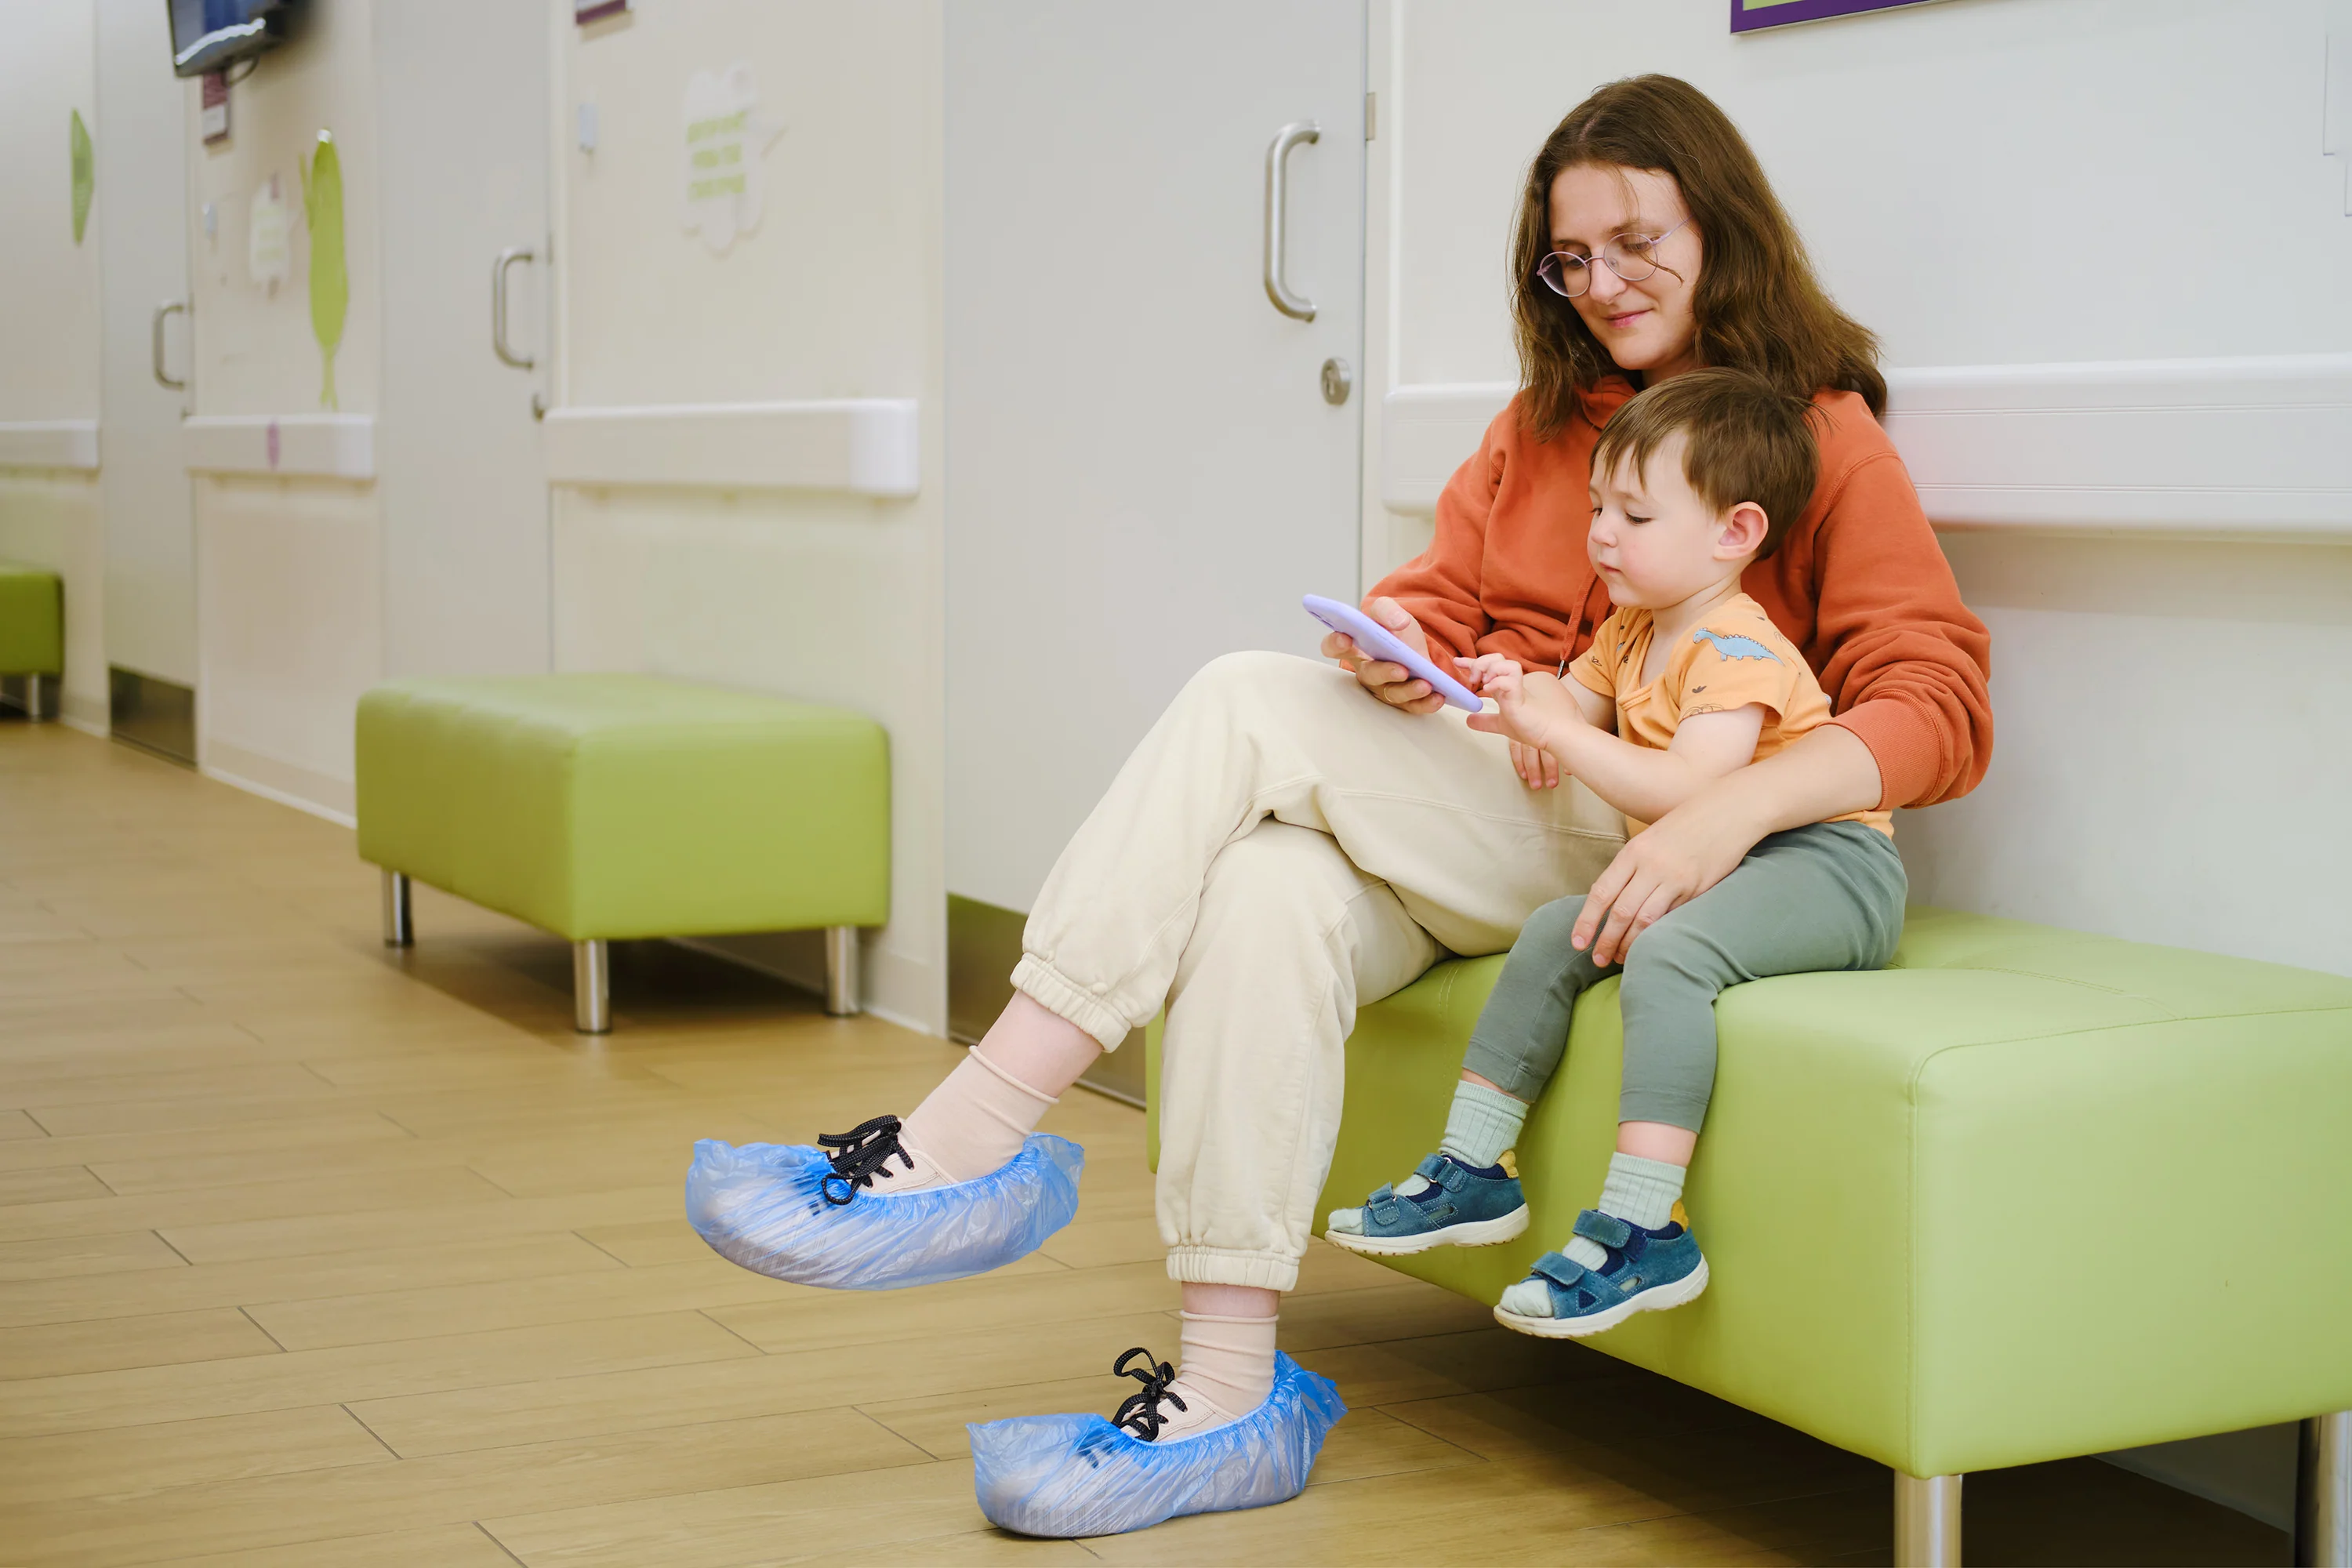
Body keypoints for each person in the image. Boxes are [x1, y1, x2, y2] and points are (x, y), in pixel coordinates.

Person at [689, 73, 1992, 1535]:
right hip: (1503, 794)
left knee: (1241, 702)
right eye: (1572, 258)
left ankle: (972, 1128)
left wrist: (1723, 816)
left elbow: (1935, 702)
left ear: (1723, 225)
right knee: (1261, 891)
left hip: (1646, 824)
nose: (1603, 282)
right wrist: (1391, 646)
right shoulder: (1540, 422)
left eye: (1638, 240)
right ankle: (1230, 1389)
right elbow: (1445, 593)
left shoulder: (1812, 434)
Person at [1324, 367, 1908, 1343]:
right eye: (1597, 505)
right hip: (1743, 857)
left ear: (1737, 532)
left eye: (1633, 514)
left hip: (1829, 862)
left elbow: (1687, 789)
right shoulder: (1634, 630)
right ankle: (1473, 1168)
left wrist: (1555, 733)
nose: (1601, 533)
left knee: (1672, 955)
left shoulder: (1738, 651)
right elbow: (1576, 703)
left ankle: (1647, 1225)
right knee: (1562, 926)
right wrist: (1518, 689)